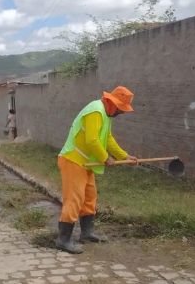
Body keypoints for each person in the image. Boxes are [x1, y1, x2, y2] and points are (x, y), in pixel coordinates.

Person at [54, 85, 140, 254]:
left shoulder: (105, 115)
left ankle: (87, 233)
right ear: (111, 102)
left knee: (89, 197)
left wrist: (124, 156)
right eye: (120, 109)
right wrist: (105, 158)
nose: (121, 113)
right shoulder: (95, 110)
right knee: (74, 199)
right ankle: (63, 240)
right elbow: (92, 140)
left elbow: (107, 139)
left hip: (85, 163)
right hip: (73, 160)